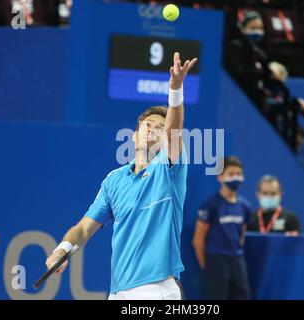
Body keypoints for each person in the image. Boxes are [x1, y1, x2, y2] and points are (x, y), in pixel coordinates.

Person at [44, 52, 198, 300]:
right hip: (118, 290)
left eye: (160, 128)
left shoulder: (170, 169)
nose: (153, 130)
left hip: (156, 289)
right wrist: (62, 250)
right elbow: (84, 229)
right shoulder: (114, 180)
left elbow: (174, 131)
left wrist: (175, 90)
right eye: (147, 125)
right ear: (134, 136)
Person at [192, 156, 251, 300]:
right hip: (216, 261)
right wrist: (207, 267)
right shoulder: (210, 205)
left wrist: (237, 250)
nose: (235, 178)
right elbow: (198, 240)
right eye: (231, 174)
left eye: (238, 174)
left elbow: (242, 233)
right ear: (220, 177)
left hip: (238, 259)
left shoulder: (245, 206)